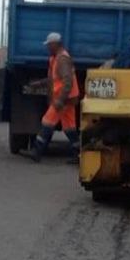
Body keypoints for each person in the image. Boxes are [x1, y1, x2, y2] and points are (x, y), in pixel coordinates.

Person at [31, 32, 80, 163]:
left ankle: (37, 151)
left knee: (47, 122)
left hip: (62, 99)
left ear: (55, 44)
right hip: (68, 99)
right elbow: (54, 79)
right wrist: (40, 83)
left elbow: (67, 82)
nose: (47, 47)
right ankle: (78, 153)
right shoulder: (57, 58)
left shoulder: (62, 59)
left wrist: (60, 100)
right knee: (70, 127)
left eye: (49, 45)